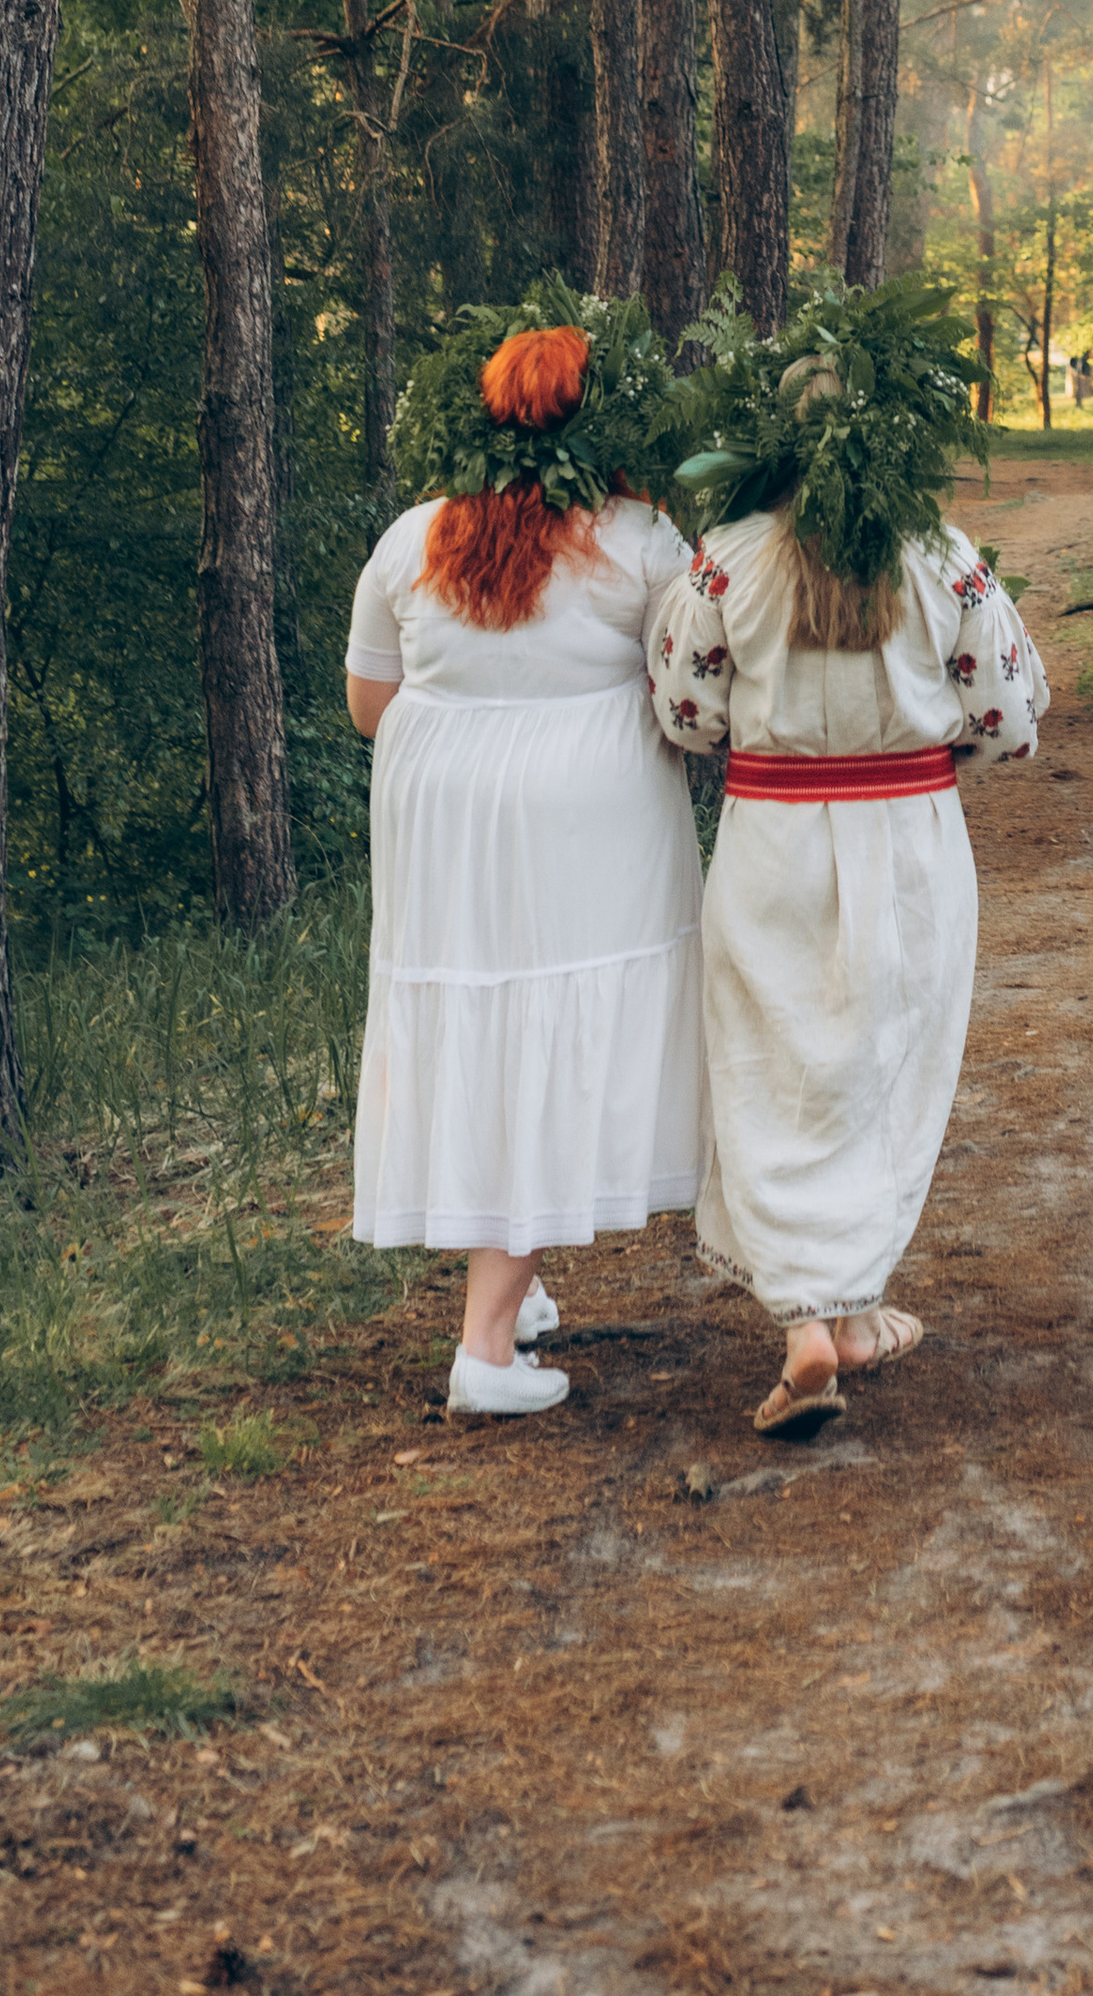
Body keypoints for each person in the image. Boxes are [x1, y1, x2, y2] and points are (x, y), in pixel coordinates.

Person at [651, 280, 1049, 1438]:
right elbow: (1011, 715)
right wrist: (930, 762)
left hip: (774, 833)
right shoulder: (943, 556)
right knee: (882, 1070)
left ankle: (818, 1322)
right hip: (910, 836)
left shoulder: (724, 561)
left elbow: (684, 713)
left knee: (776, 1072)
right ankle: (845, 1305)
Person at [346, 294, 707, 1417]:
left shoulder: (412, 536)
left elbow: (369, 705)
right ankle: (485, 1352)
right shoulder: (644, 541)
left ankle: (520, 1286)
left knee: (491, 1023)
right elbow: (693, 691)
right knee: (560, 1025)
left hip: (442, 822)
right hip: (583, 818)